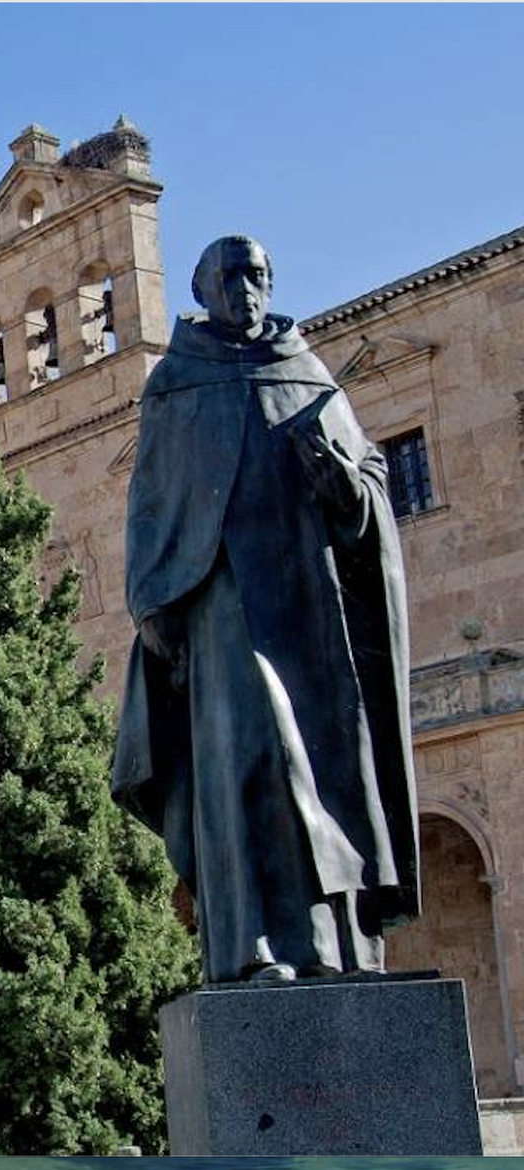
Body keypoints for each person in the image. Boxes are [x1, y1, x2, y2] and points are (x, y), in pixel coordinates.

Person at [112, 235, 418, 984]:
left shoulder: (305, 372)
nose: (244, 289)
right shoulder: (175, 385)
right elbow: (149, 504)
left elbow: (370, 478)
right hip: (221, 600)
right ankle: (251, 944)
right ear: (201, 291)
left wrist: (345, 486)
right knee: (250, 759)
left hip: (311, 602)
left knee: (328, 766)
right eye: (228, 277)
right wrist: (151, 601)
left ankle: (338, 948)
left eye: (255, 275)